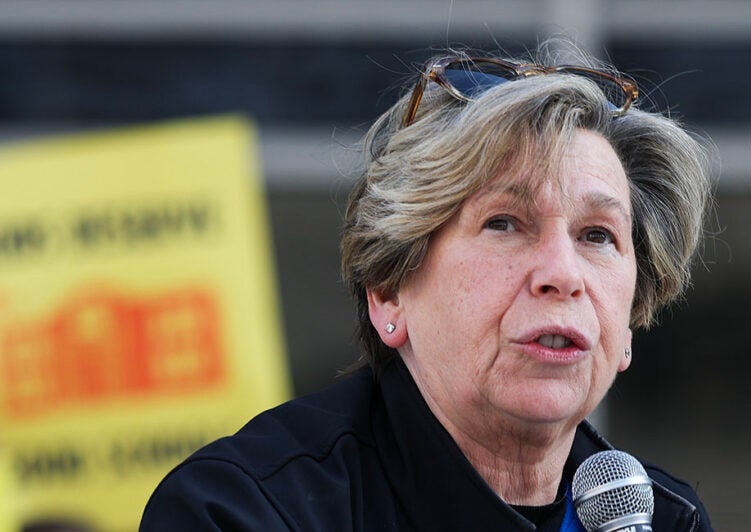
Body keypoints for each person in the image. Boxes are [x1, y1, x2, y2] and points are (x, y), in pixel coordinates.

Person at [141, 43, 714, 531]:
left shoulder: (665, 520)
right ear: (388, 290)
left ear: (634, 314)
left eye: (597, 235)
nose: (562, 275)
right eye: (505, 224)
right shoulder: (245, 510)